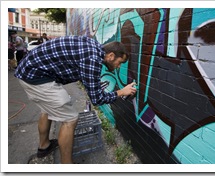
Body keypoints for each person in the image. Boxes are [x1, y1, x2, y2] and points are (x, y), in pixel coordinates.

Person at [14, 35, 137, 164]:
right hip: (35, 77)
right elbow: (97, 99)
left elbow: (83, 71)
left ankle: (44, 146)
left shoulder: (93, 46)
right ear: (111, 56)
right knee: (70, 119)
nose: (118, 67)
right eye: (120, 63)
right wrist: (121, 92)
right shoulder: (93, 59)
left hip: (29, 71)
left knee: (48, 109)